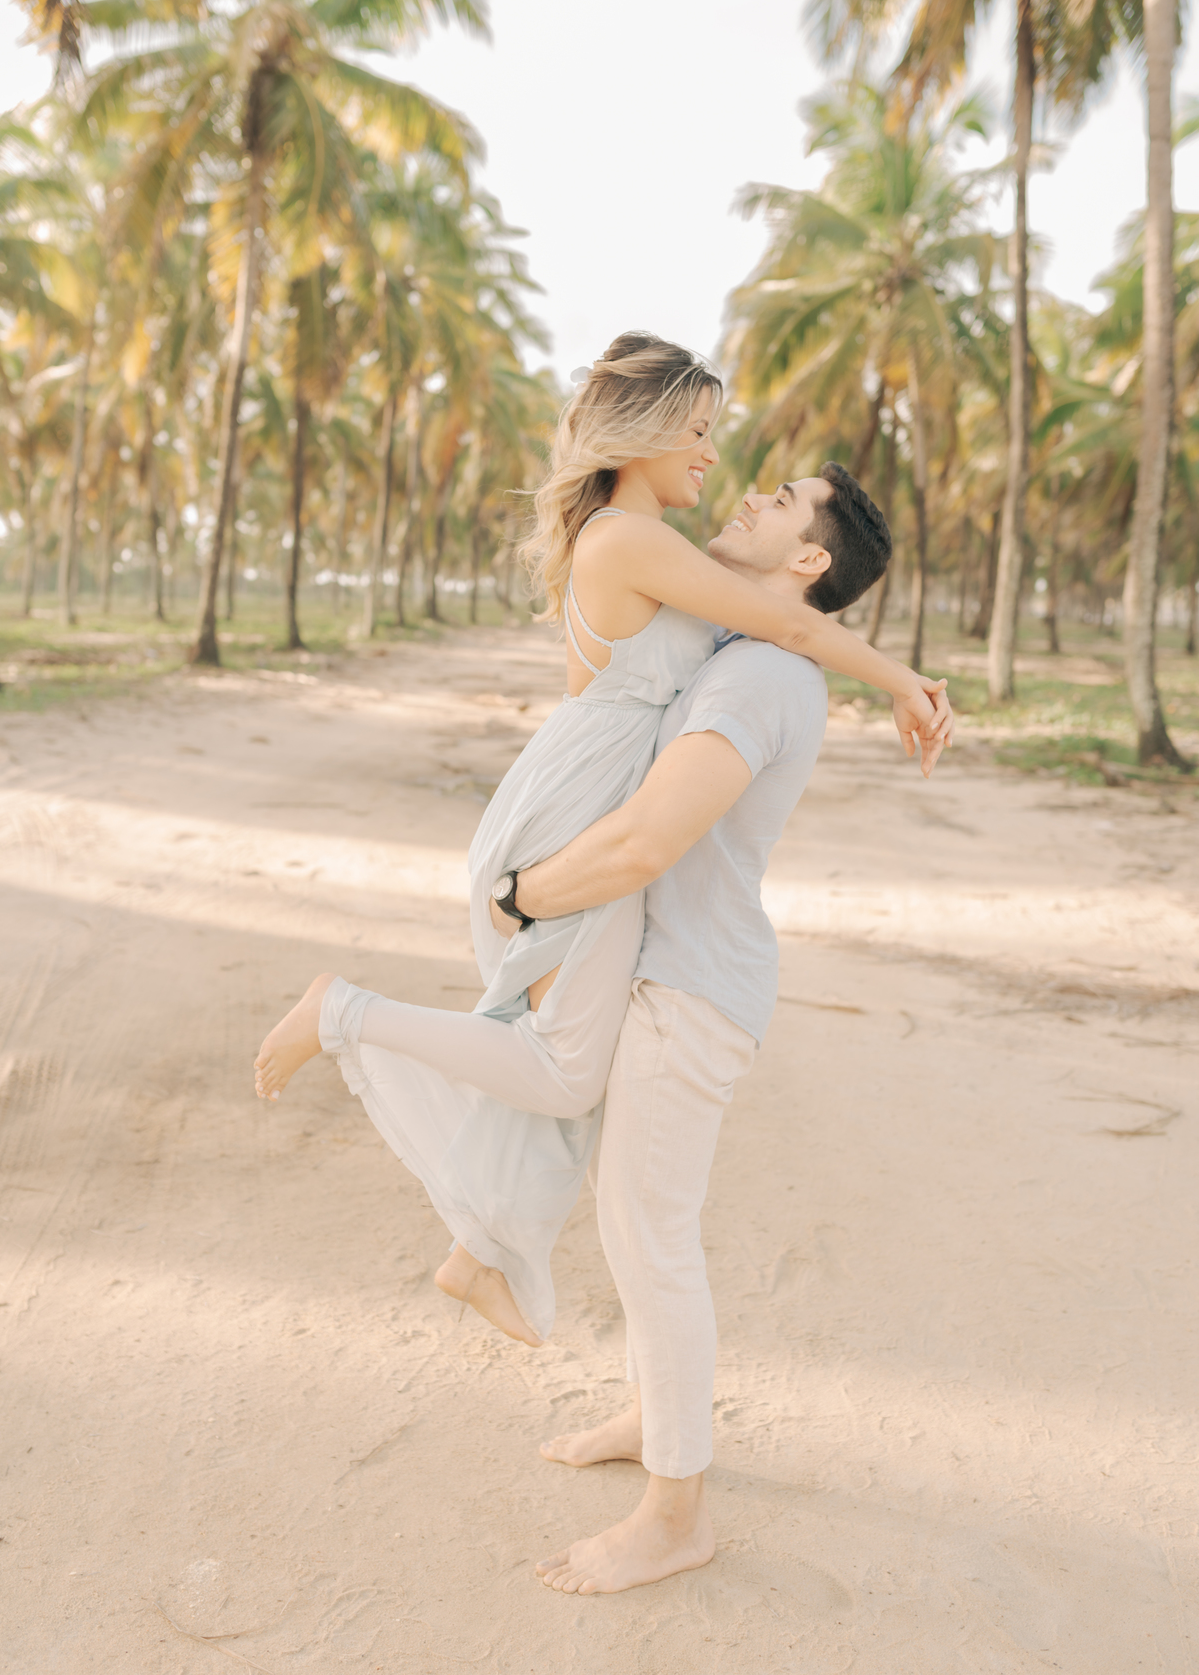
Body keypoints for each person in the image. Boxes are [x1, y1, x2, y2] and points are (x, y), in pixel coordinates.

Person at [253, 332, 950, 1351]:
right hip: (571, 812)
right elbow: (790, 626)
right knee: (567, 1069)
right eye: (701, 433)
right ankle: (344, 1010)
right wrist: (905, 681)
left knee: (573, 1060)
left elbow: (781, 624)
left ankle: (480, 1253)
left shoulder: (646, 539)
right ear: (649, 432)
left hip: (581, 796)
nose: (714, 459)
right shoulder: (628, 537)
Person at [485, 465, 889, 1595]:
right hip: (676, 973)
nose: (753, 493)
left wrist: (523, 895)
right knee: (636, 1226)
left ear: (810, 563)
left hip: (691, 988)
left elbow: (645, 841)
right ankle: (649, 1411)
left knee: (651, 1234)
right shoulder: (749, 648)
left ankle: (677, 1515)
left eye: (781, 501)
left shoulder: (758, 674)